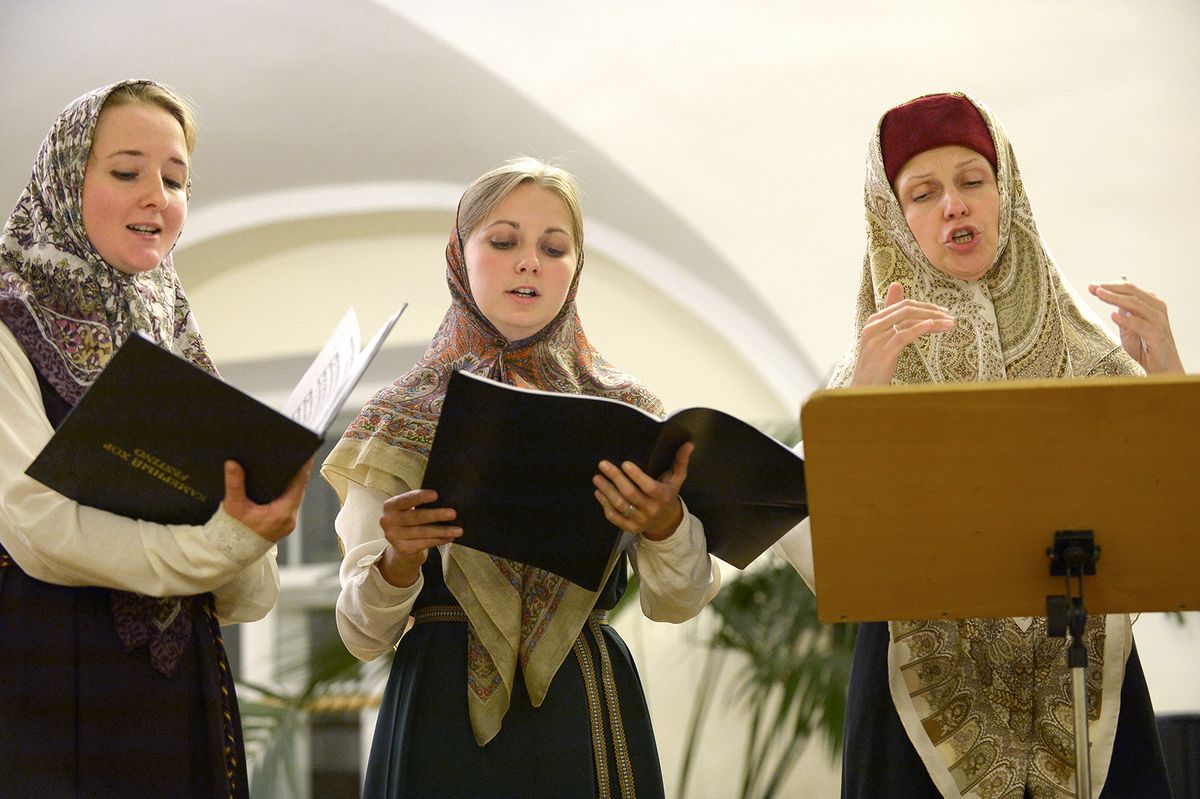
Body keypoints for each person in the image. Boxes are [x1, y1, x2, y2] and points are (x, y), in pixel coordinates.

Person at [775, 93, 1180, 798]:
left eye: (972, 180)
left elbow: (1174, 515)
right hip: (917, 702)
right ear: (894, 220)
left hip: (1083, 684)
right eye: (923, 193)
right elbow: (818, 553)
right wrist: (860, 405)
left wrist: (1167, 380)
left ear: (1005, 193)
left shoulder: (1089, 353)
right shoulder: (867, 368)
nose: (954, 205)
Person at [322, 157, 722, 798]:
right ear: (459, 255)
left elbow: (679, 602)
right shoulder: (398, 417)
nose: (529, 262)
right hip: (440, 711)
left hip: (583, 708)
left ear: (576, 267)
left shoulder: (628, 411)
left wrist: (666, 524)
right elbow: (362, 635)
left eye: (554, 248)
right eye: (504, 241)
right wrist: (398, 560)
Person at [0, 80, 310, 797]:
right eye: (125, 171)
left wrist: (253, 525)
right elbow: (35, 526)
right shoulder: (9, 314)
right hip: (51, 671)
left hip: (180, 680)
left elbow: (245, 597)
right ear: (64, 180)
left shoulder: (175, 334)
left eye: (175, 180)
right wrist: (221, 546)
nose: (156, 197)